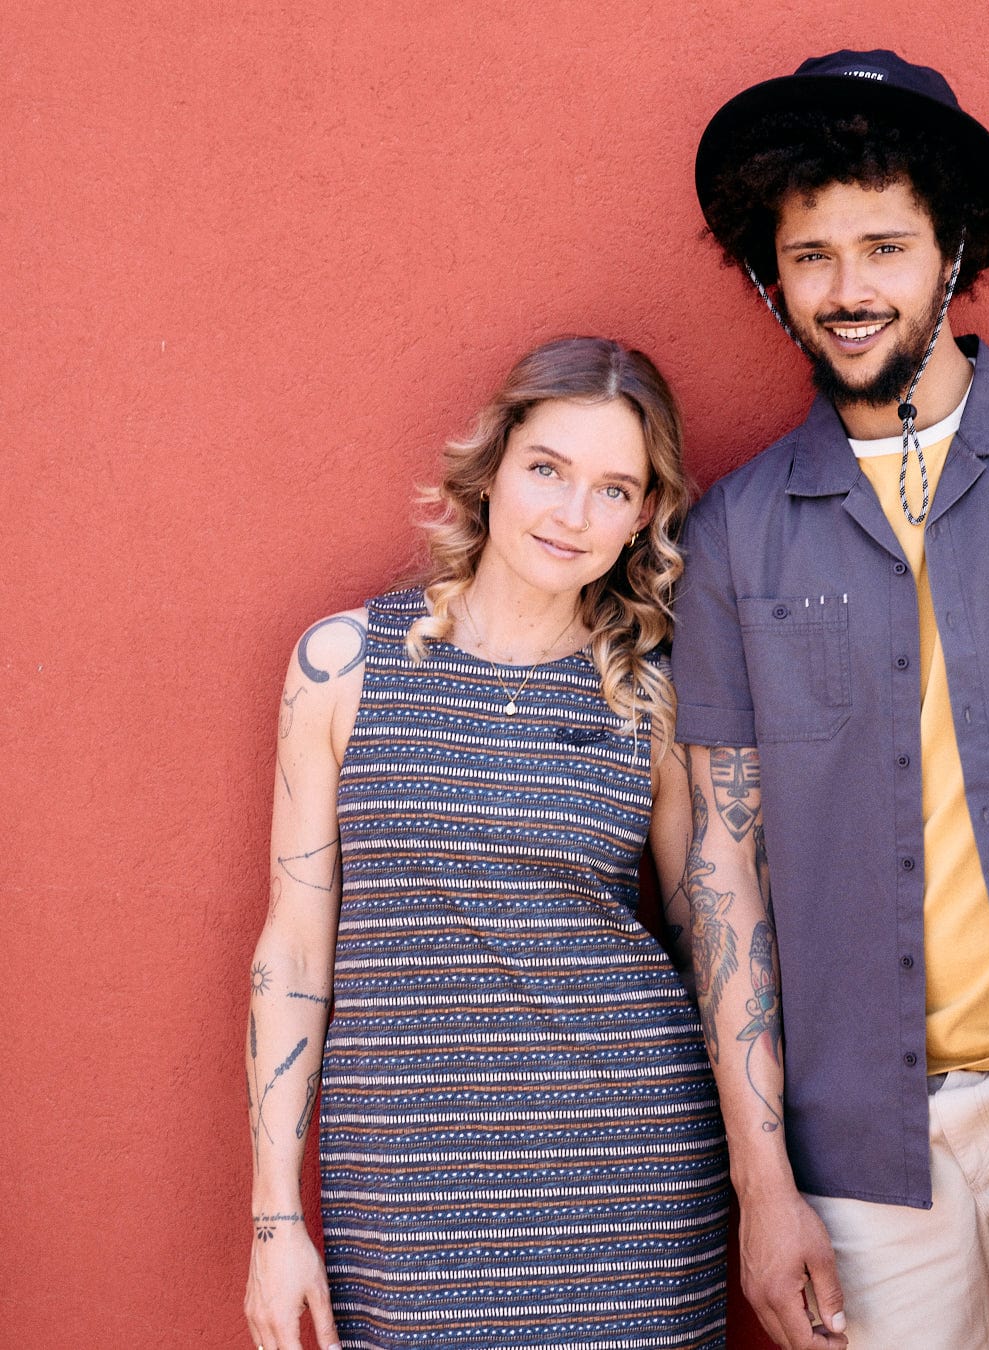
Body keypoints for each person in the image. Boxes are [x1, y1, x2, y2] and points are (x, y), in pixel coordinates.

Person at [674, 49, 989, 1350]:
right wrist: (762, 1183)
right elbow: (722, 868)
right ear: (771, 275)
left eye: (886, 246)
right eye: (811, 256)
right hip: (861, 1133)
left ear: (953, 253)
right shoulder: (733, 536)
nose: (849, 291)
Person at [243, 336, 729, 1350]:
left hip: (628, 1181)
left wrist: (766, 1186)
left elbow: (716, 945)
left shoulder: (651, 694)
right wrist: (276, 1218)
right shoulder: (343, 666)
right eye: (548, 468)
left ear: (645, 514)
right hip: (405, 1200)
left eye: (614, 488)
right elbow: (293, 948)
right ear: (496, 464)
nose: (570, 513)